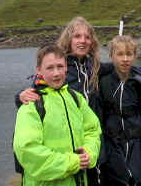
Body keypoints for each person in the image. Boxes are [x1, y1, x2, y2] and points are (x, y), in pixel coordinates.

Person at [17, 17, 141, 186]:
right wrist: (19, 96)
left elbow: (121, 64)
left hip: (93, 143)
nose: (82, 40)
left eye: (87, 37)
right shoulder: (60, 67)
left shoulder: (94, 67)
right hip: (67, 145)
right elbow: (37, 91)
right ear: (68, 39)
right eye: (77, 36)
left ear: (92, 42)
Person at [13, 44, 101, 186]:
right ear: (39, 70)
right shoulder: (31, 104)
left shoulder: (76, 98)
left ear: (66, 67)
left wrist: (89, 153)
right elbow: (27, 150)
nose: (56, 73)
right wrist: (74, 162)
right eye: (50, 68)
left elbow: (93, 130)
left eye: (60, 66)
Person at [98, 35, 141, 186]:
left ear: (135, 56)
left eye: (129, 54)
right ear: (111, 56)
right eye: (120, 54)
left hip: (139, 144)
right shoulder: (102, 82)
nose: (125, 59)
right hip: (113, 147)